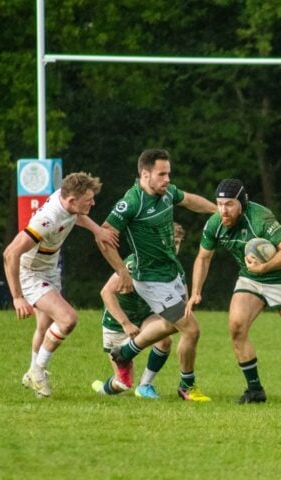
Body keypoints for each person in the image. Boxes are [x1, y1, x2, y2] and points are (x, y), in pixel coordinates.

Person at [185, 178, 281, 404]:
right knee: (236, 327)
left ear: (242, 202)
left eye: (229, 204)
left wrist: (264, 267)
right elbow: (203, 258)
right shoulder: (215, 224)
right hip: (251, 279)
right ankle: (255, 390)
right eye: (219, 204)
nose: (223, 210)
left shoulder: (260, 218)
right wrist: (196, 291)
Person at [96, 149, 216, 402]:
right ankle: (187, 386)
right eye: (162, 174)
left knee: (175, 326)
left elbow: (190, 200)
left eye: (169, 173)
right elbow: (104, 237)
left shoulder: (167, 192)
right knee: (191, 329)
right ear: (145, 174)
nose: (167, 179)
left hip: (171, 272)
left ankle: (126, 352)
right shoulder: (131, 202)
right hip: (150, 279)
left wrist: (217, 211)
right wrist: (121, 271)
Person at [3, 172, 118, 398]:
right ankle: (38, 371)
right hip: (32, 272)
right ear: (72, 200)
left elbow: (77, 216)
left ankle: (32, 373)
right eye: (89, 200)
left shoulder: (70, 203)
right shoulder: (47, 219)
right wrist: (17, 297)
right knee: (67, 319)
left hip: (49, 267)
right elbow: (10, 253)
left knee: (44, 326)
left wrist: (98, 230)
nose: (93, 203)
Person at [92, 223, 186, 399]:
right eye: (170, 241)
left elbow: (182, 301)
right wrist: (125, 324)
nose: (174, 246)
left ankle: (145, 386)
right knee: (122, 384)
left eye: (178, 242)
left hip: (146, 316)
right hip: (118, 323)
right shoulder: (136, 262)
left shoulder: (175, 268)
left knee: (165, 339)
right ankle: (103, 388)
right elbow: (106, 293)